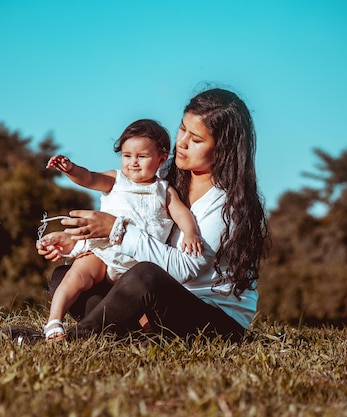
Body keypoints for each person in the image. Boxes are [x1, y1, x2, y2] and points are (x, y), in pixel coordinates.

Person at [36, 87, 270, 343]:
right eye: (183, 129)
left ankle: (73, 339)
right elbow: (140, 225)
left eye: (196, 139)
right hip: (157, 302)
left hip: (213, 318)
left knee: (144, 276)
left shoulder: (227, 203)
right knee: (66, 277)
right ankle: (127, 336)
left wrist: (117, 230)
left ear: (222, 148)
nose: (181, 143)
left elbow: (185, 269)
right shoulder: (166, 172)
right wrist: (80, 245)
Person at [42, 119, 203, 340]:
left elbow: (182, 213)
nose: (133, 163)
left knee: (146, 311)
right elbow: (88, 177)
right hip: (104, 254)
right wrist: (70, 169)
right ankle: (54, 322)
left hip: (138, 266)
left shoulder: (164, 191)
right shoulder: (116, 180)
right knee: (75, 276)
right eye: (127, 156)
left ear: (161, 159)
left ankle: (142, 338)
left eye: (142, 156)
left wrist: (191, 232)